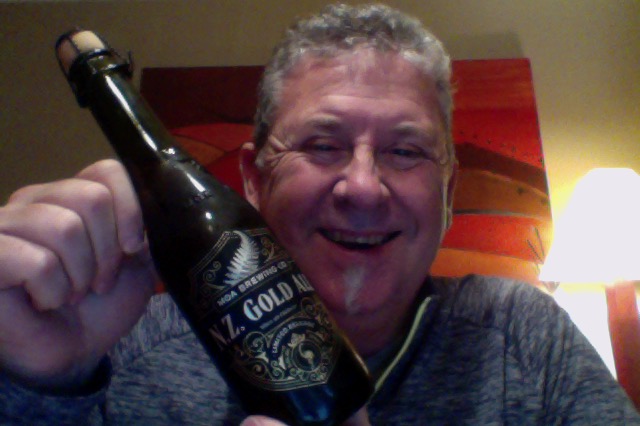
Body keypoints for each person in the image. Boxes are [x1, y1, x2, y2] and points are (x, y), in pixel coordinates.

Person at [0, 3, 638, 425]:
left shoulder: (526, 336)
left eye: (405, 151)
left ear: (448, 192)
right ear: (253, 180)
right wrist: (39, 384)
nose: (363, 187)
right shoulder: (124, 344)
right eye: (323, 145)